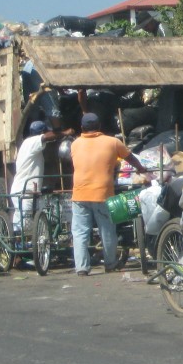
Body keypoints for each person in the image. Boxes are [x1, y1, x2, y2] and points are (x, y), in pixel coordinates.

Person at [70, 112, 148, 276]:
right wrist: (141, 169)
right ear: (99, 127)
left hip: (79, 194)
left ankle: (82, 268)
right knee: (107, 230)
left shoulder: (75, 144)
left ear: (82, 128)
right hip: (102, 193)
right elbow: (130, 158)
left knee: (80, 232)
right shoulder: (112, 142)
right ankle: (110, 263)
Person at [10, 120, 72, 230]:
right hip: (24, 190)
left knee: (24, 219)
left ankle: (21, 241)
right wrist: (65, 133)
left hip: (27, 189)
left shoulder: (29, 145)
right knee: (25, 223)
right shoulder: (32, 142)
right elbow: (46, 137)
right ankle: (19, 243)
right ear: (42, 132)